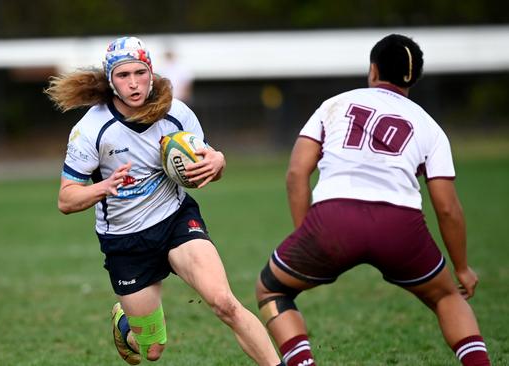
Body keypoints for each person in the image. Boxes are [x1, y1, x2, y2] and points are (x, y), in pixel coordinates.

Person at [255, 34, 491, 366]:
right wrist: (462, 267)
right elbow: (447, 207)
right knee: (447, 297)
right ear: (414, 78)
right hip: (401, 226)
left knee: (271, 290)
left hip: (333, 220)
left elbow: (296, 173)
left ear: (373, 69)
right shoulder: (430, 127)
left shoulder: (335, 105)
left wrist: (307, 235)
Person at [46, 36, 282, 365]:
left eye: (140, 73)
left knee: (224, 302)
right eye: (123, 76)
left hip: (175, 220)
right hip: (125, 241)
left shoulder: (175, 113)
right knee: (152, 350)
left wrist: (218, 162)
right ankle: (124, 322)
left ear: (151, 72)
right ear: (110, 80)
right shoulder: (91, 130)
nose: (134, 83)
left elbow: (206, 162)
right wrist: (103, 187)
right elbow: (66, 199)